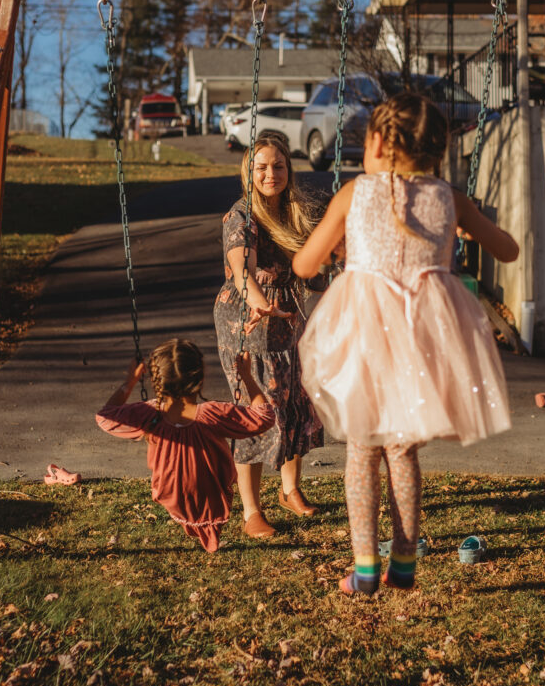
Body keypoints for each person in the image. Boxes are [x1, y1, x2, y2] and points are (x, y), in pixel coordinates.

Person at [292, 92, 519, 594]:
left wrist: (342, 254)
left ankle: (365, 565)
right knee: (403, 451)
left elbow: (304, 266)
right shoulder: (449, 198)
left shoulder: (354, 195)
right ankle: (406, 560)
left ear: (375, 141)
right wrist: (468, 224)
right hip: (423, 339)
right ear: (436, 150)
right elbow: (508, 249)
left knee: (361, 451)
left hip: (364, 337)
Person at [214, 132, 325, 539]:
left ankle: (290, 489)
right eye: (261, 167)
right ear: (248, 172)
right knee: (256, 412)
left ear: (288, 170)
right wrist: (260, 303)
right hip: (248, 321)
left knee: (295, 400)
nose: (270, 174)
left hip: (289, 319)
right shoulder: (241, 216)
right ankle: (250, 511)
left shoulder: (295, 212)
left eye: (278, 165)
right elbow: (242, 269)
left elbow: (314, 266)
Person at [95, 339, 274, 553]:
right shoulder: (213, 414)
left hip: (171, 494)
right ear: (199, 379)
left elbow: (105, 417)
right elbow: (264, 416)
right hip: (212, 494)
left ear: (157, 380)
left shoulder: (150, 415)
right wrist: (247, 377)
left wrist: (130, 381)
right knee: (216, 478)